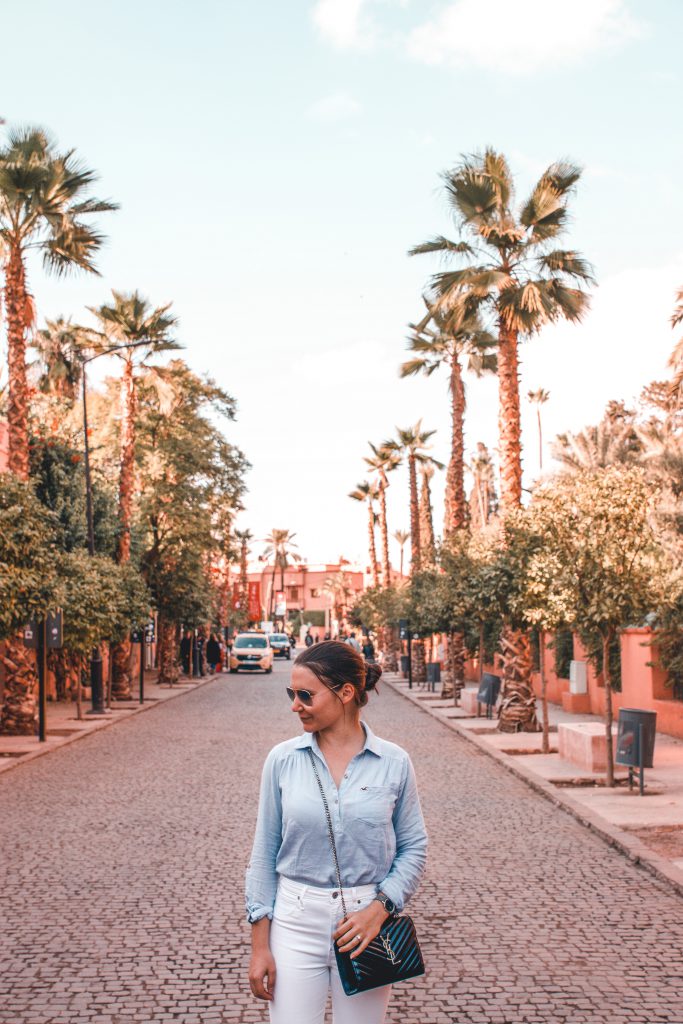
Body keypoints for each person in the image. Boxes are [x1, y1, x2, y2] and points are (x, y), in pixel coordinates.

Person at [246, 640, 427, 1024]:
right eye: (291, 694)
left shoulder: (394, 762)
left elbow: (413, 847)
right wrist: (259, 946)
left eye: (306, 695)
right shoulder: (282, 760)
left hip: (367, 924)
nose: (295, 705)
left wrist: (379, 910)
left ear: (345, 693)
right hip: (295, 919)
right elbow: (264, 852)